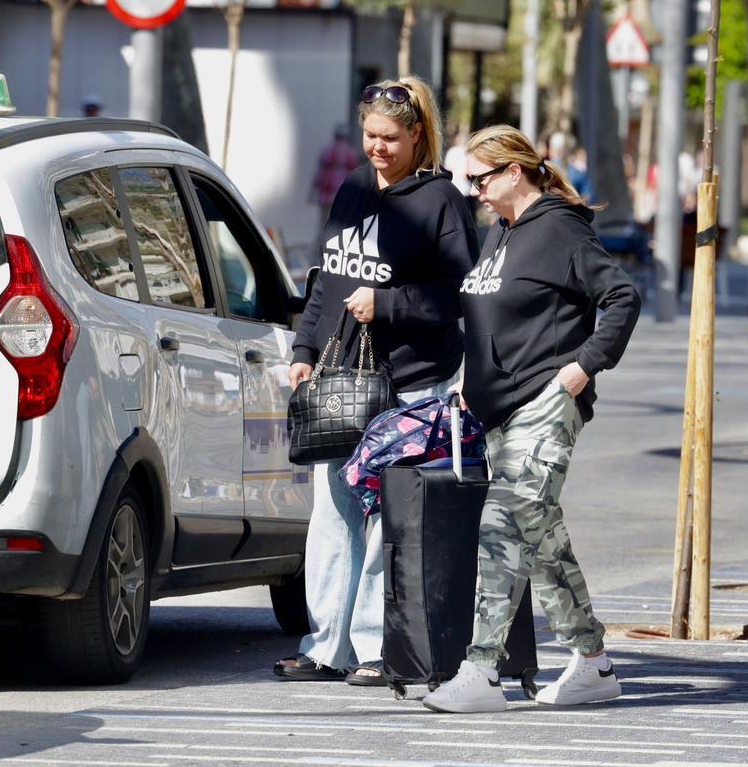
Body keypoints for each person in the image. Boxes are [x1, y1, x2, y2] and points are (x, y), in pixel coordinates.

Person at [423, 125, 640, 713]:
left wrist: (582, 369)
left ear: (513, 173)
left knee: (501, 529)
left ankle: (481, 671)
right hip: (498, 409)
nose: (472, 190)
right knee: (541, 540)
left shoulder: (560, 230)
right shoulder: (502, 232)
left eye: (480, 178)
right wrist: (472, 377)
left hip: (544, 405)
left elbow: (621, 297)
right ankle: (594, 663)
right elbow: (494, 315)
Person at [274, 77, 480, 685]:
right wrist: (305, 347)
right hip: (343, 381)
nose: (377, 148)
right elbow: (328, 279)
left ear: (419, 135)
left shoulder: (442, 202)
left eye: (390, 137)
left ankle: (372, 647)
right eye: (369, 135)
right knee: (334, 514)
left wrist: (387, 304)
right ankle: (325, 645)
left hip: (413, 384)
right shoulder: (354, 188)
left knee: (387, 515)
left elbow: (458, 293)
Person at [311, 124, 362, 233]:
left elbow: (319, 173)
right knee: (339, 222)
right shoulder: (350, 153)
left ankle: (321, 244)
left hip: (326, 192)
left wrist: (312, 192)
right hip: (341, 194)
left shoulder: (326, 150)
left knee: (324, 221)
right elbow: (356, 175)